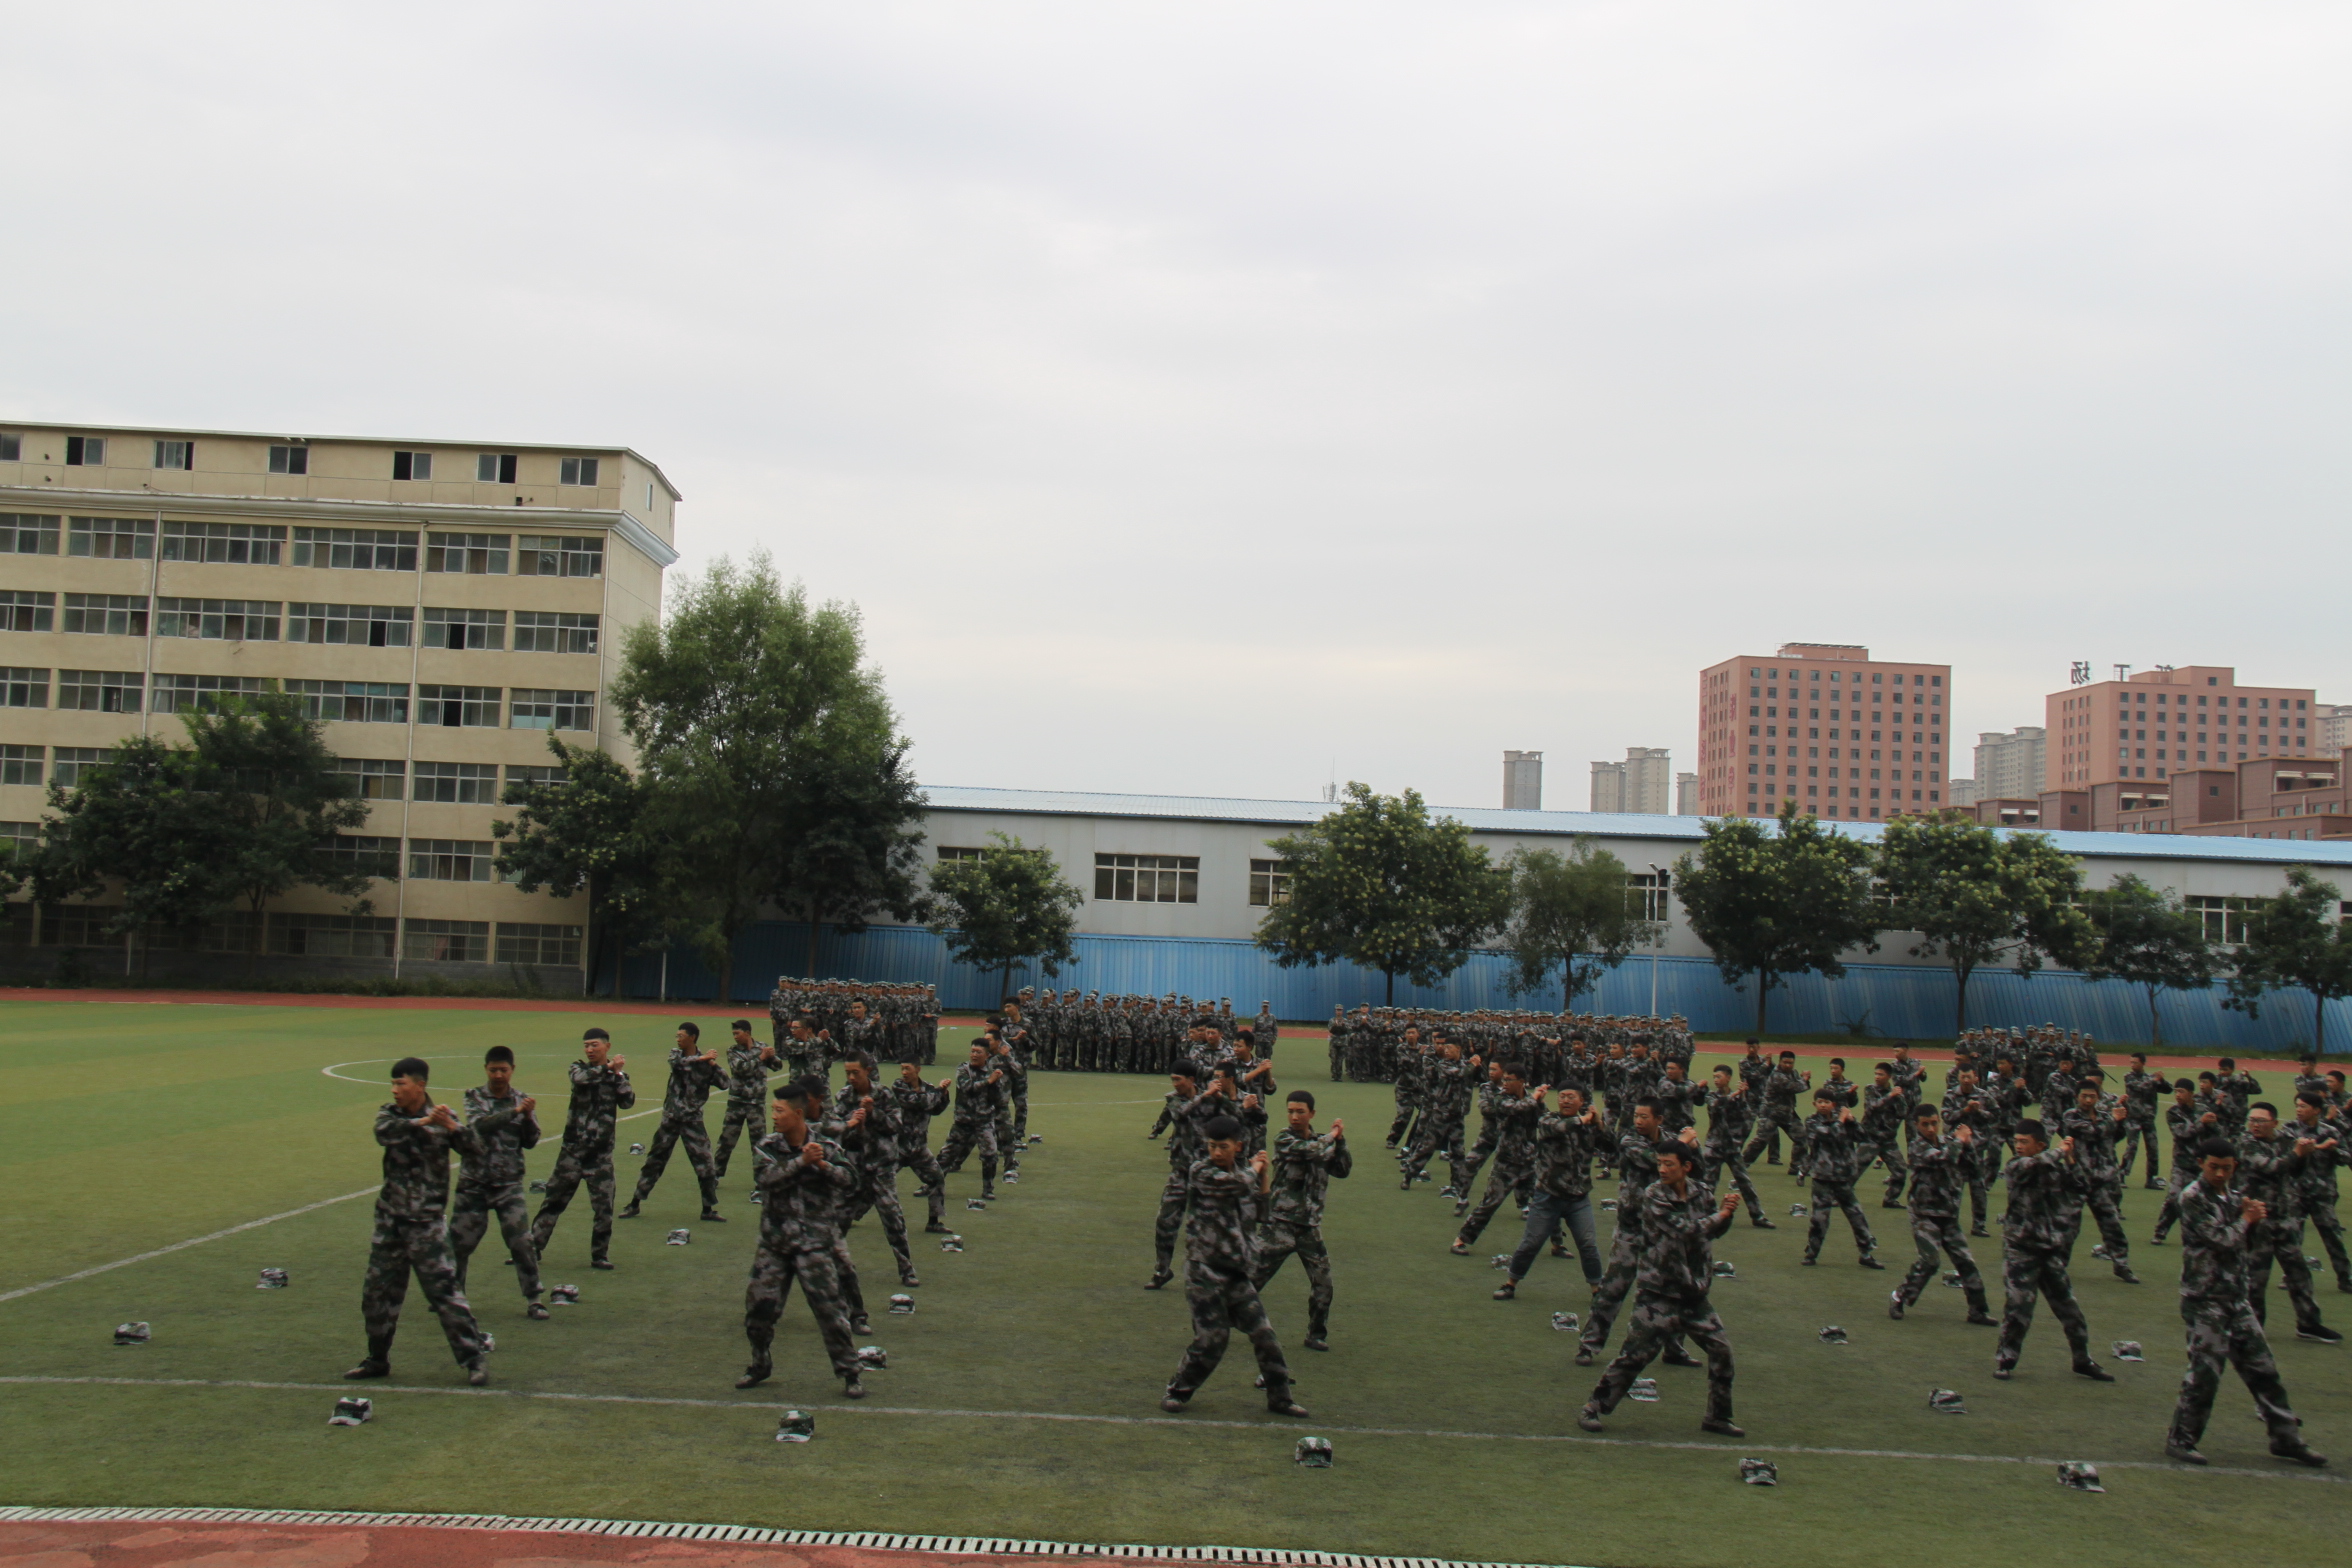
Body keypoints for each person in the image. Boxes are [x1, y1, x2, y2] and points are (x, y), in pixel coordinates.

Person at [2163, 1136, 2326, 1467]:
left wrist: (2255, 1220)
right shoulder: (2192, 1197)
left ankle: (2286, 1438)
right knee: (2205, 1373)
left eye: (2226, 1168)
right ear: (2201, 1164)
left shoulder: (2235, 1198)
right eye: (2213, 1167)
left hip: (2236, 1298)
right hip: (2205, 1299)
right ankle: (2181, 1439)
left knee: (2264, 1369)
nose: (2220, 1174)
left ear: (2234, 1166)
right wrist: (2247, 1219)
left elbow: (2248, 1244)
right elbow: (2221, 1239)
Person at [1576, 1142, 1743, 1437]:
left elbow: (1713, 1232)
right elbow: (1685, 1230)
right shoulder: (1654, 1195)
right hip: (1659, 1292)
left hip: (1693, 1292)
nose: (1662, 1170)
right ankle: (1593, 1407)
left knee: (1721, 1350)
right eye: (1660, 1164)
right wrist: (1722, 1214)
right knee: (1635, 1355)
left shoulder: (1702, 1193)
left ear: (1686, 1167)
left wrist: (1726, 1216)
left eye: (1669, 1164)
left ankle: (1718, 1417)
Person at [344, 1057, 490, 1386]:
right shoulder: (390, 1115)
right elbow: (383, 1133)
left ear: (420, 1086)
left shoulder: (445, 1118)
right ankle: (377, 1359)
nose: (395, 1090)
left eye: (401, 1084)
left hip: (426, 1226)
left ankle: (473, 1359)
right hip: (391, 1222)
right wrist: (423, 1122)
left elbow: (476, 1150)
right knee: (377, 1294)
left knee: (445, 1295)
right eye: (393, 1084)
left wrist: (453, 1127)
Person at [1159, 1113, 1311, 1418]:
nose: (1216, 1152)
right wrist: (1256, 1168)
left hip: (1237, 1274)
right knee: (1213, 1339)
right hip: (1204, 1271)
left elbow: (1261, 1213)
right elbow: (1235, 1183)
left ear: (1237, 1146)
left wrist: (1264, 1176)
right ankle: (1177, 1391)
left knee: (1265, 1335)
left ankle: (1280, 1398)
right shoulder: (1202, 1172)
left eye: (1223, 1146)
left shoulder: (1245, 1174)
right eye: (1212, 1146)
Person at [737, 1077, 866, 1398]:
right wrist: (801, 1162)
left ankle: (850, 1372)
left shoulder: (827, 1147)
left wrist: (821, 1165)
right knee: (758, 1312)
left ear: (797, 1114)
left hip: (814, 1244)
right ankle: (760, 1363)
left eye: (779, 1111)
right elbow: (765, 1179)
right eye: (772, 1110)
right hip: (775, 1244)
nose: (774, 1116)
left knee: (831, 1313)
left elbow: (851, 1181)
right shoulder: (767, 1146)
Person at [1994, 1119, 2113, 1382]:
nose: (2018, 1146)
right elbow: (2035, 1165)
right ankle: (2005, 1360)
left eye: (2024, 1142)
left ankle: (2082, 1360)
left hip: (2048, 1249)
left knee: (2070, 1310)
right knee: (2018, 1309)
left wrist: (2070, 1159)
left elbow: (2081, 1187)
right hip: (2020, 1249)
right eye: (2016, 1141)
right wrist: (2060, 1151)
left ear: (2040, 1145)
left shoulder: (2053, 1166)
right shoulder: (2016, 1166)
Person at [450, 1046, 547, 1318]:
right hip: (474, 1183)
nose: (498, 1075)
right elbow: (479, 1125)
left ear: (512, 1070)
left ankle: (534, 1299)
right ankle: (452, 1297)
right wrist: (516, 1112)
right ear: (486, 1069)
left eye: (503, 1070)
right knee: (459, 1243)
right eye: (493, 1070)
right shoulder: (474, 1096)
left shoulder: (522, 1100)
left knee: (521, 1242)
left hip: (508, 1184)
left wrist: (527, 1117)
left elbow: (531, 1141)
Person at [2235, 1103, 2343, 1342]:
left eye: (2261, 1121)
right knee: (2256, 1278)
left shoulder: (2285, 1140)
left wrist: (2304, 1154)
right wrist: (2298, 1153)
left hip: (2284, 1218)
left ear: (2275, 1123)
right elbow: (2271, 1167)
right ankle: (2252, 1327)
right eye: (2252, 1120)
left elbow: (2296, 1171)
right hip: (2258, 1221)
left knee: (2299, 1273)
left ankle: (2308, 1323)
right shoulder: (2246, 1143)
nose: (2255, 1125)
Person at [530, 1028, 634, 1271]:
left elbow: (627, 1101)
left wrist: (618, 1074)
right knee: (553, 1201)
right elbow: (580, 1080)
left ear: (607, 1047)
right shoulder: (578, 1068)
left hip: (600, 1155)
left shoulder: (616, 1075)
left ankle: (600, 1255)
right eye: (586, 1045)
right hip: (572, 1152)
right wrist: (609, 1068)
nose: (589, 1050)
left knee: (603, 1208)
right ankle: (532, 1248)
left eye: (594, 1045)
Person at [1253, 1090, 1346, 1351]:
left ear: (1312, 1114)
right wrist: (1333, 1135)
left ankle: (1316, 1334)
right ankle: (1219, 1320)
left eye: (1300, 1112)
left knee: (1324, 1284)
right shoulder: (1284, 1139)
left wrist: (1341, 1141)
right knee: (1251, 1279)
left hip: (1309, 1227)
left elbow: (1342, 1169)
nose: (1294, 1117)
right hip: (1279, 1224)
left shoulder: (1323, 1142)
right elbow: (1310, 1151)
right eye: (1290, 1111)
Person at [1494, 1087, 1605, 1300]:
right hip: (1548, 1196)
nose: (1565, 1100)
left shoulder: (1588, 1125)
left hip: (1578, 1197)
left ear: (1582, 1101)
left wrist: (1598, 1122)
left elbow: (1610, 1145)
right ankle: (1510, 1284)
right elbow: (1562, 1128)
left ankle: (1597, 1290)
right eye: (1562, 1096)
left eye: (1571, 1097)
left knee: (1588, 1244)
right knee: (1531, 1243)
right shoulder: (1548, 1120)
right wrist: (1583, 1120)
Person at [1888, 1104, 1994, 1326]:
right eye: (1925, 1124)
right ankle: (1899, 1297)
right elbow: (1945, 1159)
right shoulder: (1917, 1147)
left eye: (1934, 1123)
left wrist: (1968, 1144)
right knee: (1930, 1261)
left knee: (1966, 1262)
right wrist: (1959, 1141)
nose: (1930, 1129)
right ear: (1916, 1125)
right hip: (1924, 1214)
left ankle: (1978, 1311)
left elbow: (1973, 1168)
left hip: (1948, 1214)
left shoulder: (1948, 1142)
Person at [620, 1023, 726, 1224]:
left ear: (692, 1037)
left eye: (681, 1036)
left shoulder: (705, 1063)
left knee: (705, 1165)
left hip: (692, 1120)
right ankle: (634, 1203)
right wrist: (702, 1059)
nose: (677, 1039)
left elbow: (724, 1083)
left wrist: (712, 1064)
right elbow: (677, 1064)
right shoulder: (676, 1055)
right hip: (671, 1118)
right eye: (677, 1036)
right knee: (654, 1162)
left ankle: (708, 1208)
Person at [832, 1054, 918, 1288]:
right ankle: (831, 1265)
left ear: (867, 1071)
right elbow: (837, 1130)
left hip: (881, 1167)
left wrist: (873, 1113)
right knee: (840, 1217)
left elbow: (896, 1126)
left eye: (856, 1073)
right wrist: (853, 1122)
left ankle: (906, 1269)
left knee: (892, 1217)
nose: (851, 1077)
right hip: (854, 1168)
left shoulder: (883, 1095)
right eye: (848, 1073)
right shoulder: (844, 1096)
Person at [1452, 1064, 1542, 1252]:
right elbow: (1517, 1109)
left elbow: (1543, 1118)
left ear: (1521, 1081)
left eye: (1509, 1080)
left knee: (1545, 1204)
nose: (1505, 1083)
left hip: (1529, 1162)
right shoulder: (1501, 1099)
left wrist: (1538, 1101)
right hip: (1506, 1163)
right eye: (1504, 1079)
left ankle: (1558, 1243)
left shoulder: (1531, 1100)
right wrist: (1535, 1098)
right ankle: (1461, 1239)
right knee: (1490, 1203)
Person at [2061, 1079, 2141, 1283]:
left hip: (2102, 1181)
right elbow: (2092, 1132)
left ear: (2098, 1097)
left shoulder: (2105, 1117)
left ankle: (2121, 1265)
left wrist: (2121, 1119)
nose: (2088, 1100)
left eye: (2092, 1096)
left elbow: (2115, 1136)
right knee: (2068, 1227)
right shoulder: (2071, 1116)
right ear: (2077, 1097)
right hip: (2077, 1180)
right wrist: (2114, 1120)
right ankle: (2058, 1265)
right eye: (2084, 1096)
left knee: (2112, 1225)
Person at [1798, 1091, 1882, 1269]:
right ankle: (1811, 1253)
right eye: (1819, 1102)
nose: (1823, 1105)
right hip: (1822, 1177)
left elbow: (1862, 1137)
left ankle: (1866, 1253)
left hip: (1843, 1177)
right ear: (1814, 1104)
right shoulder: (1812, 1121)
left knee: (1856, 1215)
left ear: (1833, 1105)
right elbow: (1828, 1134)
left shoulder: (1842, 1121)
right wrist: (1842, 1120)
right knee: (1820, 1219)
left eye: (1826, 1102)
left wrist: (1852, 1122)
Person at [2288, 1094, 2351, 1293]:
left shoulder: (2329, 1131)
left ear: (2316, 1110)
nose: (2299, 1110)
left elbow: (2346, 1157)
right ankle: (2291, 1277)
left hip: (2322, 1194)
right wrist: (2319, 1146)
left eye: (2303, 1106)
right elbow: (2288, 1153)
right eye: (2297, 1106)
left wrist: (2334, 1151)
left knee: (2333, 1238)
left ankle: (2345, 1278)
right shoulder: (2289, 1129)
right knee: (2292, 1239)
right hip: (2295, 1193)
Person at [887, 1059, 954, 1234]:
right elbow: (919, 1102)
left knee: (936, 1179)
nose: (904, 1072)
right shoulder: (899, 1086)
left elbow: (936, 1109)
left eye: (907, 1068)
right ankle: (849, 1215)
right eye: (902, 1069)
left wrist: (944, 1094)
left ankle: (934, 1222)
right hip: (898, 1147)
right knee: (879, 1181)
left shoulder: (928, 1088)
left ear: (917, 1069)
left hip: (918, 1149)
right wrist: (938, 1091)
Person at [1701, 1067, 1771, 1227]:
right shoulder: (1711, 1096)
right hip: (1714, 1145)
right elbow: (1716, 1106)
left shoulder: (1738, 1097)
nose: (1716, 1080)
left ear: (1728, 1078)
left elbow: (1746, 1115)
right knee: (1708, 1183)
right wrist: (1735, 1095)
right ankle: (1703, 1213)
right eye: (1714, 1076)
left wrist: (1743, 1095)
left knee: (1744, 1182)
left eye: (1719, 1076)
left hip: (1732, 1146)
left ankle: (1757, 1215)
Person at [936, 1039, 1006, 1200]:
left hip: (984, 1121)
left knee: (990, 1155)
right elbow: (967, 1088)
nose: (974, 1055)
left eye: (978, 1052)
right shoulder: (963, 1069)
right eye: (972, 1051)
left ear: (987, 1055)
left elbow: (998, 1099)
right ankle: (932, 1185)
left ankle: (988, 1188)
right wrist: (989, 1081)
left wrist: (995, 1084)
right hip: (963, 1121)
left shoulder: (993, 1073)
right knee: (947, 1155)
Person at [715, 1019, 779, 1182]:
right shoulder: (733, 1051)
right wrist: (761, 1057)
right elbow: (740, 1069)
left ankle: (761, 1177)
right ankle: (715, 1174)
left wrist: (771, 1056)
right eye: (734, 1034)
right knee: (727, 1140)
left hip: (756, 1104)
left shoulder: (761, 1047)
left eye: (738, 1033)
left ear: (748, 1033)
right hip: (737, 1103)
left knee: (759, 1143)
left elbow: (777, 1066)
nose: (735, 1037)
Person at [2121, 1052, 2165, 1188]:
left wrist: (2162, 1080)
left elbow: (2167, 1089)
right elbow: (2140, 1086)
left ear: (2143, 1063)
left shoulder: (2150, 1078)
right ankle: (2121, 1175)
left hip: (2148, 1119)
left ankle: (2151, 1179)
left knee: (2153, 1149)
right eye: (2131, 1062)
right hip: (2133, 1118)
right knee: (2132, 1147)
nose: (2132, 1065)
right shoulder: (2129, 1077)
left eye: (2135, 1062)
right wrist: (2155, 1080)